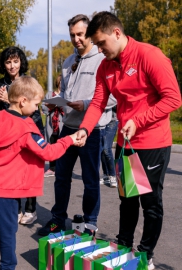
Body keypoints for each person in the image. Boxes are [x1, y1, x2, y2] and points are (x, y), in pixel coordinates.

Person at [77, 11, 181, 270]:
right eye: (97, 45)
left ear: (117, 33)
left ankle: (146, 256)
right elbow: (99, 102)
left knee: (150, 202)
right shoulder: (106, 66)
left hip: (153, 143)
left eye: (101, 43)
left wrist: (140, 120)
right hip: (124, 144)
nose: (100, 50)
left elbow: (173, 99)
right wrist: (84, 129)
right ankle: (123, 248)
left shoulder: (149, 55)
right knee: (127, 200)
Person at [0, 76, 79, 270]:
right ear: (23, 101)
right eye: (35, 104)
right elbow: (49, 152)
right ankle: (7, 266)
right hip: (7, 191)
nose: (36, 109)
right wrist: (70, 140)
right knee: (8, 233)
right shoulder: (26, 129)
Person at [38, 14, 116, 236]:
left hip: (93, 130)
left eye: (80, 34)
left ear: (89, 33)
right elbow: (65, 93)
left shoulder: (103, 59)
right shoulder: (67, 62)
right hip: (68, 128)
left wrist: (85, 104)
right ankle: (57, 219)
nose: (76, 39)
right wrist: (55, 104)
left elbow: (113, 98)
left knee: (91, 179)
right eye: (72, 35)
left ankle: (90, 222)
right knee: (61, 176)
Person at [0, 46, 44, 225]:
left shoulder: (28, 82)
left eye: (15, 61)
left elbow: (33, 112)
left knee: (29, 170)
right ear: (3, 64)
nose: (12, 66)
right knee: (14, 172)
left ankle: (31, 209)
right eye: (8, 62)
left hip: (29, 130)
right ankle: (17, 208)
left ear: (21, 62)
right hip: (9, 134)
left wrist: (8, 100)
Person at [41, 74, 64, 177]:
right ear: (58, 83)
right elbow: (43, 107)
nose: (62, 85)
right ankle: (52, 167)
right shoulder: (50, 94)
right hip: (52, 125)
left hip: (62, 125)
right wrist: (51, 106)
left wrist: (61, 105)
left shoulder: (66, 95)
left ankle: (61, 168)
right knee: (51, 145)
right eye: (60, 83)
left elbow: (69, 110)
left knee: (61, 146)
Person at [100, 103, 118, 188]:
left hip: (112, 120)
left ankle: (113, 175)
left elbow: (116, 104)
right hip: (100, 120)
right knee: (102, 148)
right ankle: (106, 175)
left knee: (106, 148)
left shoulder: (113, 91)